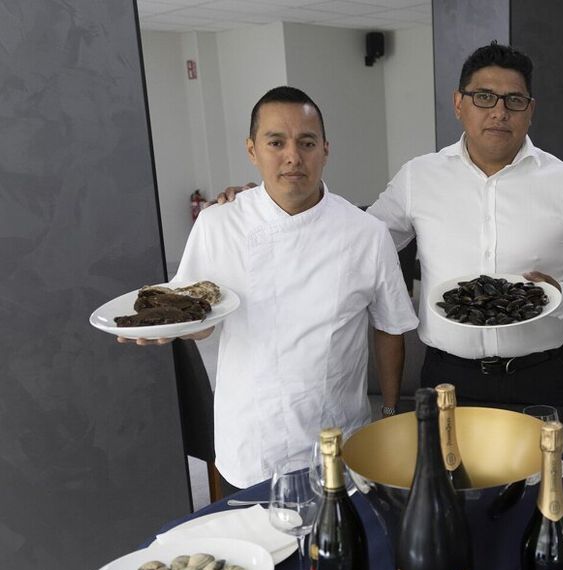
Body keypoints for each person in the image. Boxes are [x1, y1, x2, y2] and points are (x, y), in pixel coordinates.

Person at [122, 86, 418, 490]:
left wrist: (388, 410)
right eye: (276, 142)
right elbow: (199, 320)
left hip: (339, 443)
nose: (293, 156)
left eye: (307, 142)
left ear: (326, 150)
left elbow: (390, 326)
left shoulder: (366, 233)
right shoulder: (218, 225)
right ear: (252, 150)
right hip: (250, 445)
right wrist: (161, 329)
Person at [366, 42, 563, 445]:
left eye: (514, 100)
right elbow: (361, 240)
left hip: (541, 381)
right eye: (484, 97)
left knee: (545, 502)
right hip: (447, 382)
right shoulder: (419, 178)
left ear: (530, 109)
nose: (499, 112)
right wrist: (267, 203)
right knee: (450, 499)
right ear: (458, 103)